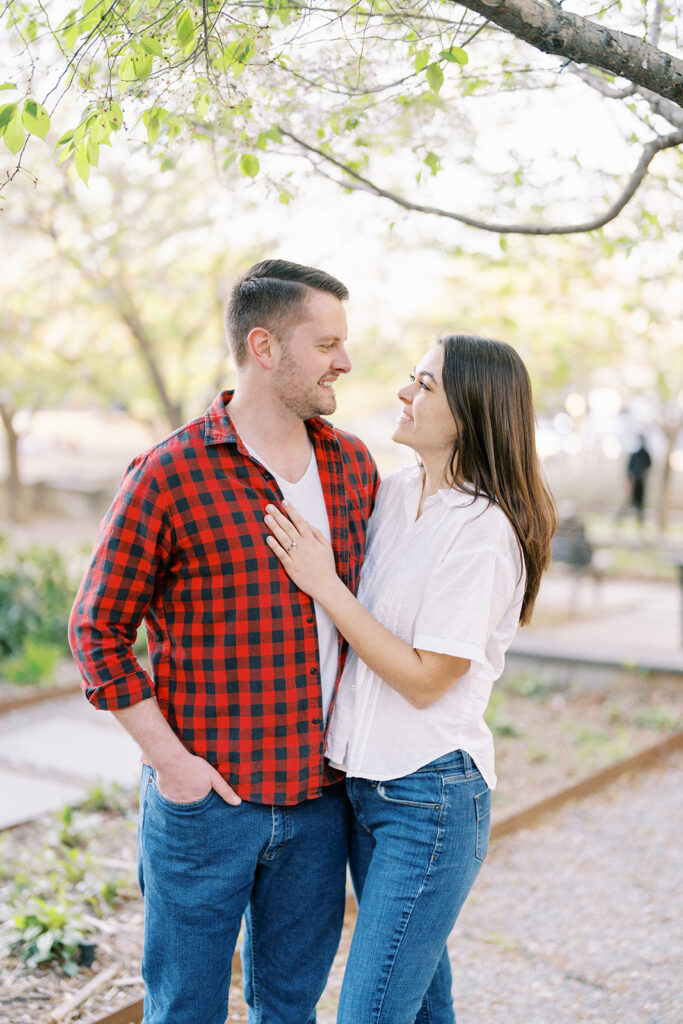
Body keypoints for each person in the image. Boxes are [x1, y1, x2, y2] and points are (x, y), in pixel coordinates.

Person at [68, 259, 379, 1024]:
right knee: (184, 1010)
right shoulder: (169, 473)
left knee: (290, 1009)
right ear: (265, 347)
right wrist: (173, 766)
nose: (344, 361)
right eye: (326, 343)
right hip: (207, 804)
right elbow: (97, 629)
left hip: (319, 801)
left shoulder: (352, 467)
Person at [265, 333, 557, 1024]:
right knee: (423, 1007)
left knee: (368, 1012)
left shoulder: (483, 530)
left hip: (428, 801)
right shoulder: (391, 496)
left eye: (424, 385)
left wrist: (324, 585)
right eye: (411, 379)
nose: (403, 392)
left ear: (473, 411)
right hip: (362, 791)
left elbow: (427, 680)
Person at [619, 434, 651, 525]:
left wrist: (644, 477)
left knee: (640, 503)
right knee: (630, 502)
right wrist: (630, 480)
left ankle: (640, 520)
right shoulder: (635, 455)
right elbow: (629, 469)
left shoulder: (645, 455)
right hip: (634, 481)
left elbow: (648, 467)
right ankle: (620, 518)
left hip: (641, 482)